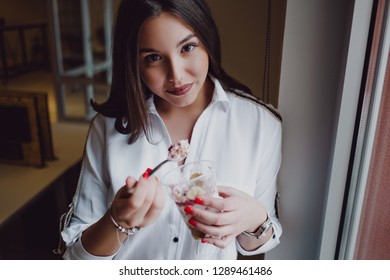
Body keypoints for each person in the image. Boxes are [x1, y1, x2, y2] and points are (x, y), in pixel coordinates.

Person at [60, 0, 282, 260]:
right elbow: (76, 259)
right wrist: (117, 221)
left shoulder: (262, 124)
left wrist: (255, 218)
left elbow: (259, 242)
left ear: (207, 41)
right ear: (134, 62)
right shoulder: (106, 129)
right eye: (153, 58)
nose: (176, 75)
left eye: (188, 47)